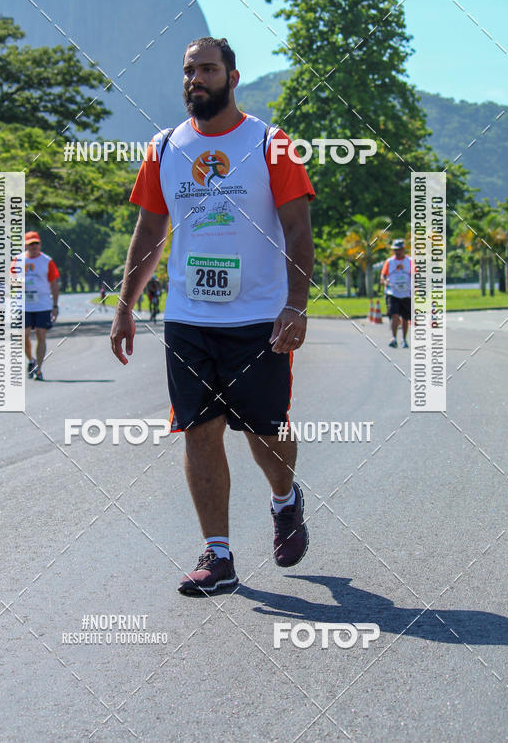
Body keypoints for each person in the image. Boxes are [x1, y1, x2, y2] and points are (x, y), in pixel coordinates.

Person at [110, 36, 315, 596]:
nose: (194, 79)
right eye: (187, 71)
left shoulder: (272, 144)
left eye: (205, 69)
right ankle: (218, 555)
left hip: (258, 319)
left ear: (232, 75)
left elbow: (298, 230)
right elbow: (149, 233)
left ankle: (285, 498)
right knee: (198, 431)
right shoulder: (164, 146)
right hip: (189, 320)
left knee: (264, 432)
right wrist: (126, 307)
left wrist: (296, 304)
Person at [21, 231, 60, 380]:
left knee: (40, 334)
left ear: (40, 244)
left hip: (43, 304)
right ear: (26, 245)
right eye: (30, 244)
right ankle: (31, 360)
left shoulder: (47, 261)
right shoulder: (18, 261)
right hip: (24, 305)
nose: (34, 246)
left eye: (36, 243)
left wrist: (55, 306)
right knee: (22, 335)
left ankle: (38, 368)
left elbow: (54, 284)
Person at [380, 239, 412, 348]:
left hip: (406, 293)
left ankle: (404, 339)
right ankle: (393, 338)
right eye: (395, 250)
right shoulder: (389, 262)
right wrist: (384, 281)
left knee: (405, 318)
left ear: (403, 249)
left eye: (399, 250)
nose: (397, 252)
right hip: (392, 292)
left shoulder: (410, 261)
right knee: (394, 315)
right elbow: (383, 276)